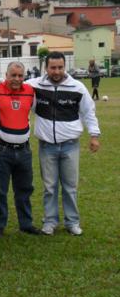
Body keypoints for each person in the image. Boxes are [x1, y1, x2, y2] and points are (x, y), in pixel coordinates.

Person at [26, 52, 100, 235]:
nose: (57, 71)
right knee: (49, 187)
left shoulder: (78, 87)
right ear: (46, 68)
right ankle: (50, 222)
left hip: (70, 145)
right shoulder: (34, 85)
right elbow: (14, 83)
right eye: (53, 68)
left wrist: (94, 135)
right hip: (46, 146)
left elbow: (89, 112)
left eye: (60, 67)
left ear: (64, 67)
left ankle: (72, 222)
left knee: (70, 187)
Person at [0, 62, 40, 237]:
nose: (17, 79)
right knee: (0, 191)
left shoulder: (30, 91)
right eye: (13, 75)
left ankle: (26, 224)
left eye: (20, 75)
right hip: (0, 151)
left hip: (24, 151)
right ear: (6, 75)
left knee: (25, 189)